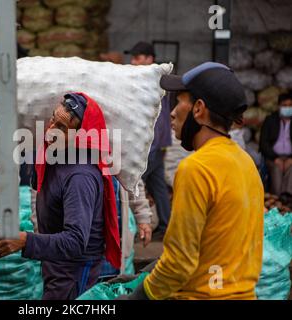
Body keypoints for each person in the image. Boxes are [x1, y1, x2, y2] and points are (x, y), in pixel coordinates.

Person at [119, 62, 264, 300]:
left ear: (198, 109)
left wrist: (139, 297)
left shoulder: (196, 168)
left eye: (179, 102)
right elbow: (219, 244)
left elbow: (180, 263)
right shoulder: (245, 162)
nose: (173, 112)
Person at [0, 93, 121, 300]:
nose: (51, 130)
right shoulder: (57, 157)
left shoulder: (79, 177)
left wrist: (25, 241)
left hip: (74, 278)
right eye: (53, 119)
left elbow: (76, 242)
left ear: (81, 136)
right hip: (58, 271)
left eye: (62, 127)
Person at [125, 41, 172, 237]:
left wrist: (147, 145)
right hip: (157, 142)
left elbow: (157, 118)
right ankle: (165, 225)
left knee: (133, 182)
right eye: (133, 57)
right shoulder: (148, 80)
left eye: (138, 58)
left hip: (150, 144)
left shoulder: (152, 81)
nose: (133, 62)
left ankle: (133, 228)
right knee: (157, 185)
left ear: (149, 59)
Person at [260, 92, 292, 197]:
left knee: (291, 169)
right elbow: (263, 143)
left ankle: (287, 198)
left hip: (290, 157)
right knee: (276, 170)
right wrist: (275, 158)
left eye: (290, 106)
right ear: (279, 106)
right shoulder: (270, 120)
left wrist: (290, 159)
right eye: (284, 105)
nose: (287, 108)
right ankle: (277, 197)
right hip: (272, 157)